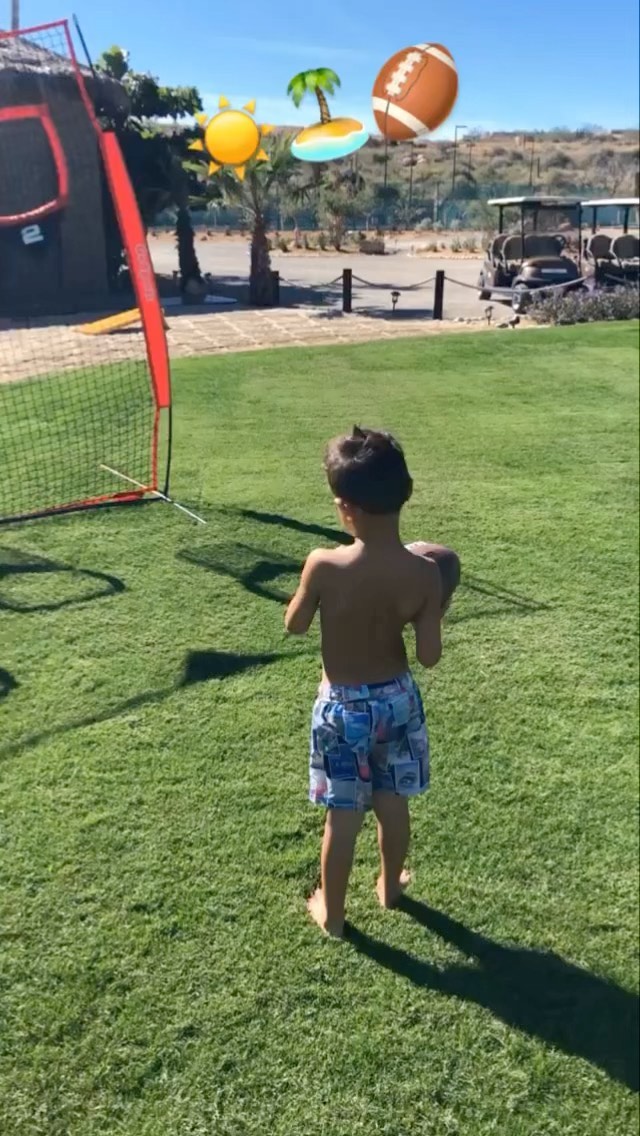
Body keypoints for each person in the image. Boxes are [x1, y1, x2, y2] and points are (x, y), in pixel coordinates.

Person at [285, 426, 458, 937]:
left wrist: (307, 595)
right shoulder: (425, 573)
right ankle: (389, 888)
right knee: (392, 801)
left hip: (342, 708)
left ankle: (334, 916)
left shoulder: (323, 564)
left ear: (344, 507)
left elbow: (295, 624)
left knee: (342, 816)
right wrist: (435, 608)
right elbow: (429, 656)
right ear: (406, 492)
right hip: (397, 701)